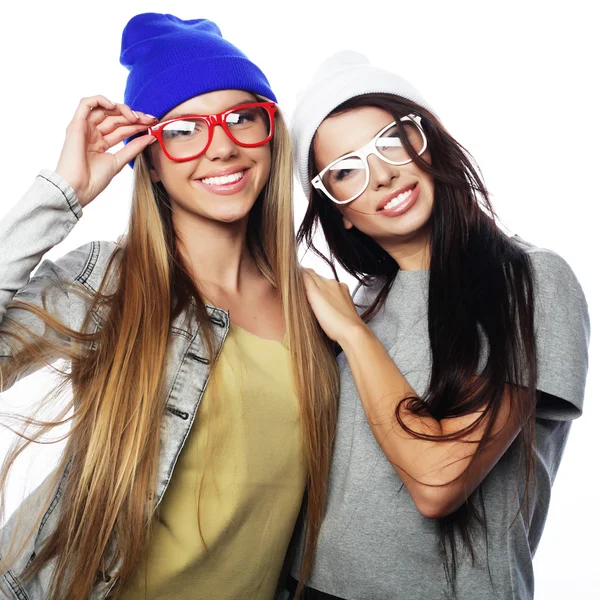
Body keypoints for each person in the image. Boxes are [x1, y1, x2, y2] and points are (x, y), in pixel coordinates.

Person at [0, 13, 339, 600]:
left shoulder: (316, 311)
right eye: (184, 129)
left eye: (241, 118)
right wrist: (63, 193)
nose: (224, 146)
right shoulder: (111, 282)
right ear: (148, 159)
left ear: (270, 131)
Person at [284, 51, 590, 600]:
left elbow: (439, 480)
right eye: (346, 170)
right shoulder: (367, 299)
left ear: (429, 142)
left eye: (391, 141)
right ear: (339, 212)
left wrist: (352, 335)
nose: (381, 176)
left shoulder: (531, 281)